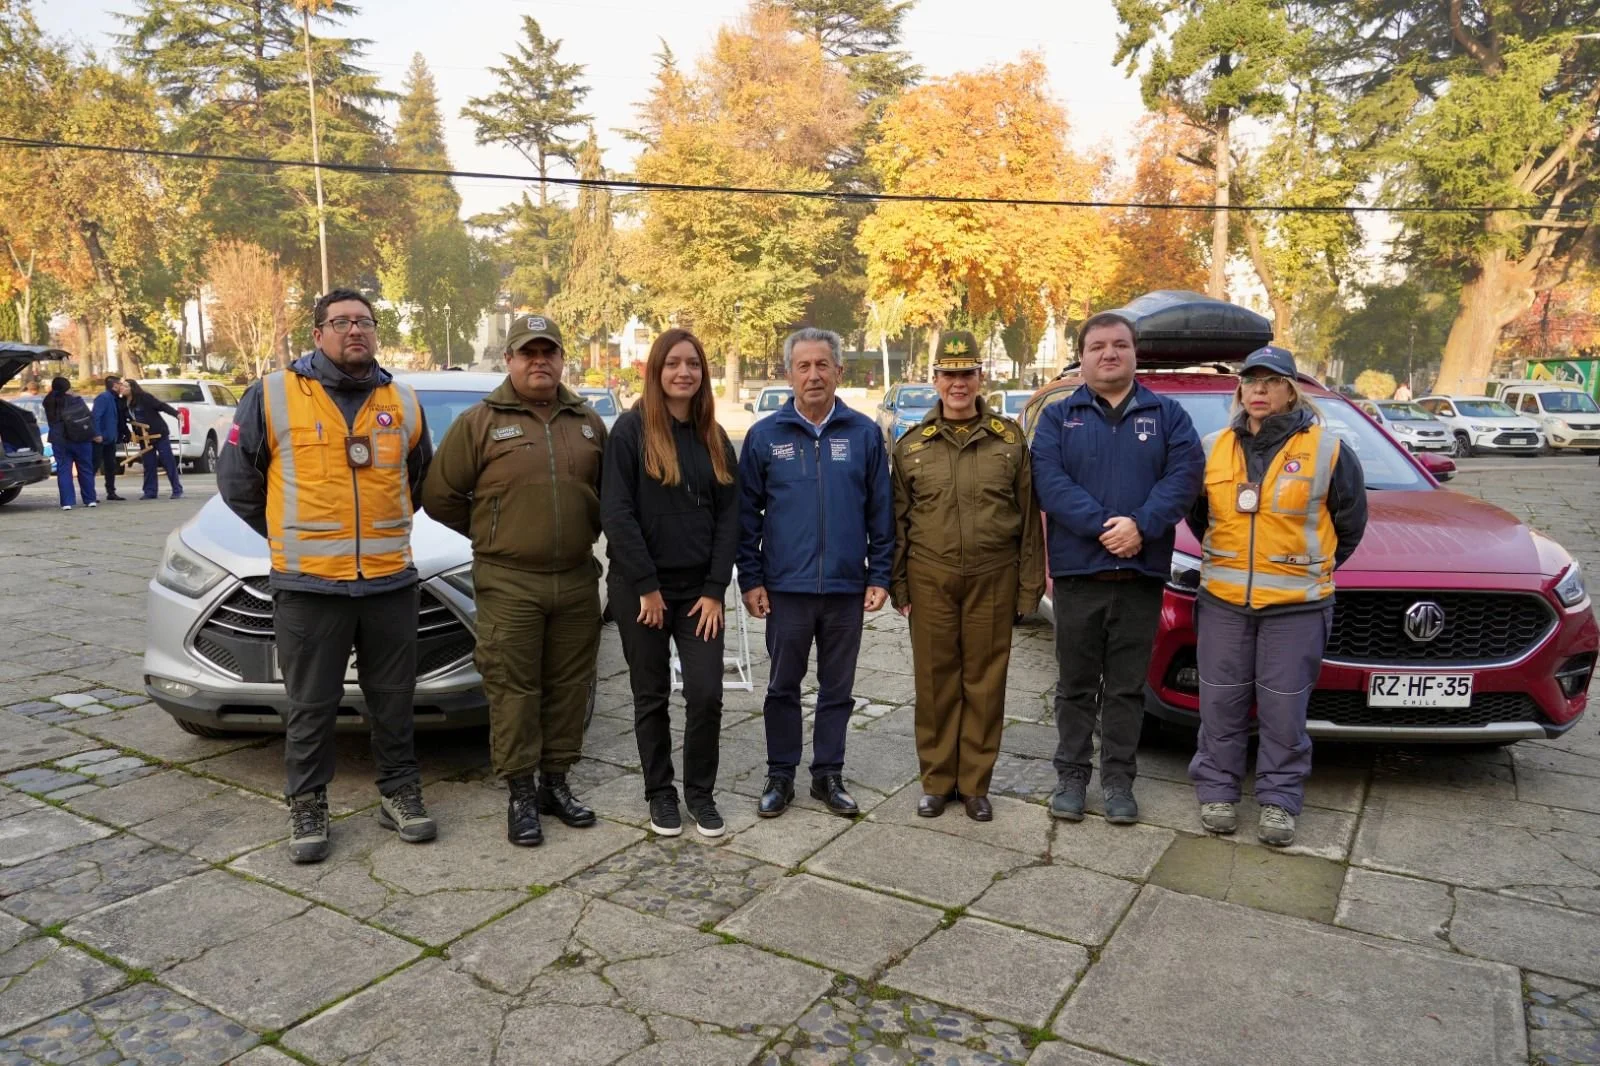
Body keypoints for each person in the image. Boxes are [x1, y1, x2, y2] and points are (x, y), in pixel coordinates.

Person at [217, 288, 436, 864]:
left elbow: (416, 481)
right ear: (317, 334)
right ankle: (309, 803)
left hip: (389, 582)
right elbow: (239, 484)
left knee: (393, 699)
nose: (354, 331)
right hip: (309, 586)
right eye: (340, 322)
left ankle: (399, 793)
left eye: (363, 321)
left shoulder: (404, 401)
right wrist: (292, 537)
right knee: (311, 705)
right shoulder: (272, 396)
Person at [423, 313, 608, 848]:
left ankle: (556, 783)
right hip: (509, 581)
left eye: (548, 352)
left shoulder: (588, 423)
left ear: (560, 360)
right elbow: (440, 497)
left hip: (575, 578)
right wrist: (492, 531)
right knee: (513, 690)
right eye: (528, 352)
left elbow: (612, 500)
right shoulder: (480, 422)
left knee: (570, 687)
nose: (539, 361)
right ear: (509, 360)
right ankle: (521, 794)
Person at [1186, 345, 1367, 846]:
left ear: (1292, 390)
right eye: (1251, 381)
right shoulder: (1212, 447)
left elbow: (1349, 527)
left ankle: (1278, 802)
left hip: (1297, 608)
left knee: (1284, 710)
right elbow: (1200, 519)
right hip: (1223, 601)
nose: (1259, 390)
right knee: (1220, 704)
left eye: (1271, 381)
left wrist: (1304, 572)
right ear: (1240, 390)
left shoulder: (1328, 450)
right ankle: (1217, 791)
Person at [1030, 311, 1204, 826]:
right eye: (1098, 346)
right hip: (1080, 577)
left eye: (1120, 345)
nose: (1110, 353)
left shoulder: (1168, 415)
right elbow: (1049, 481)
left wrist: (1142, 526)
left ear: (1134, 354)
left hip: (1141, 578)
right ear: (1082, 357)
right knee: (1076, 686)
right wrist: (1107, 527)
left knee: (1128, 689)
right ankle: (1071, 777)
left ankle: (1119, 783)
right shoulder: (1060, 418)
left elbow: (1184, 475)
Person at [737, 327, 894, 819]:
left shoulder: (865, 434)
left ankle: (828, 774)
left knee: (837, 689)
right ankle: (780, 775)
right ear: (788, 373)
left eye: (822, 365)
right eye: (802, 366)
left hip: (846, 589)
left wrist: (880, 576)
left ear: (838, 371)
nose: (813, 375)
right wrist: (752, 579)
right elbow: (746, 518)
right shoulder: (765, 437)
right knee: (782, 686)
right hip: (787, 590)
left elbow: (881, 514)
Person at [890, 331, 1045, 822]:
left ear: (982, 377)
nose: (958, 383)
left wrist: (1029, 586)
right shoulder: (912, 446)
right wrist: (899, 584)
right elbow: (897, 521)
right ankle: (936, 782)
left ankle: (975, 784)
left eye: (967, 373)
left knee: (985, 683)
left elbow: (1027, 518)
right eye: (949, 374)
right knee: (935, 683)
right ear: (935, 379)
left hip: (993, 576)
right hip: (930, 575)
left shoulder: (1009, 440)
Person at [600, 329, 739, 838]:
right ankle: (660, 794)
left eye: (694, 364)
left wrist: (714, 589)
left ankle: (700, 794)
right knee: (650, 693)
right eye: (674, 363)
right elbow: (617, 513)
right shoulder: (630, 432)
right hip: (642, 593)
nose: (684, 372)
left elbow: (731, 518)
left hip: (698, 594)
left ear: (703, 374)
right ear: (656, 371)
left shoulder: (714, 437)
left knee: (706, 694)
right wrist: (646, 586)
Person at [43, 376, 99, 511]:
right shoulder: (76, 400)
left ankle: (67, 502)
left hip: (59, 440)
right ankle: (90, 499)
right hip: (80, 439)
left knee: (63, 470)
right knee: (85, 468)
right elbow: (88, 417)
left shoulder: (48, 401)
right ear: (68, 388)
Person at [126, 380, 184, 500]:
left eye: (125, 386)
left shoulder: (144, 398)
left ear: (132, 388)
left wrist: (176, 414)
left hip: (158, 433)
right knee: (149, 463)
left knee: (167, 461)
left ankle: (176, 489)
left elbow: (161, 406)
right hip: (144, 437)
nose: (122, 388)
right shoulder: (124, 403)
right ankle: (150, 491)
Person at [91, 376, 129, 501]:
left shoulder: (115, 399)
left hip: (110, 438)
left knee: (110, 466)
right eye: (120, 384)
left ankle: (111, 492)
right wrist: (97, 434)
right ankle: (89, 494)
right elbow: (95, 416)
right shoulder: (104, 398)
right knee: (94, 466)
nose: (122, 386)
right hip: (101, 438)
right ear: (115, 385)